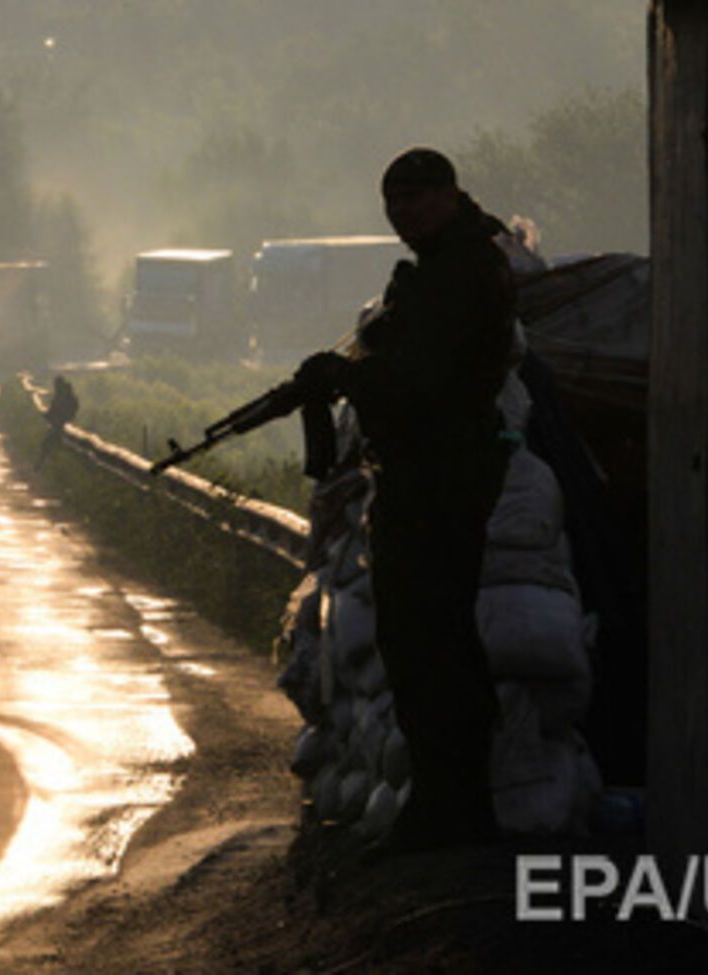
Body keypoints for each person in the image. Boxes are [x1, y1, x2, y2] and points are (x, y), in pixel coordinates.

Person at [293, 147, 517, 856]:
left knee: (433, 644)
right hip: (429, 471)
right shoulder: (446, 267)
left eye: (418, 200)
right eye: (395, 203)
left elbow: (424, 382)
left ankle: (454, 813)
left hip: (441, 476)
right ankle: (444, 807)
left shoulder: (461, 271)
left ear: (450, 196)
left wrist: (349, 378)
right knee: (421, 643)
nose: (405, 215)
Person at [34, 375, 79, 470]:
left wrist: (50, 416)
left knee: (47, 444)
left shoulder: (63, 395)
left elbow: (57, 409)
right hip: (59, 422)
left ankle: (42, 466)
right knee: (50, 444)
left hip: (60, 423)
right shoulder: (65, 394)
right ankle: (47, 465)